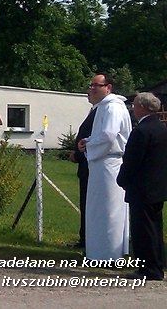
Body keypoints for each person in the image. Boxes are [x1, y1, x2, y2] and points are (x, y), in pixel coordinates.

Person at [78, 73, 131, 260]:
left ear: (108, 87)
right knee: (97, 208)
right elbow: (103, 134)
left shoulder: (113, 107)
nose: (92, 88)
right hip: (102, 161)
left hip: (109, 162)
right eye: (90, 85)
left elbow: (109, 135)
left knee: (108, 209)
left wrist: (90, 145)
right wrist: (88, 141)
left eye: (96, 85)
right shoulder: (102, 107)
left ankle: (109, 253)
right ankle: (98, 251)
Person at [116, 92, 167, 280]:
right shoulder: (161, 128)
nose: (133, 108)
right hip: (158, 187)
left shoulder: (141, 131)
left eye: (135, 105)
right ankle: (156, 265)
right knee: (154, 228)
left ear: (143, 107)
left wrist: (122, 179)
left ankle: (147, 269)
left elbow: (132, 160)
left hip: (142, 188)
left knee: (142, 230)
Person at [68, 105, 97, 248]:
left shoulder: (103, 111)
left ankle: (87, 240)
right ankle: (84, 237)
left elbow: (93, 139)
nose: (90, 90)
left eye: (94, 86)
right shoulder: (94, 110)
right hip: (85, 166)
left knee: (88, 204)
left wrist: (78, 155)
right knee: (84, 204)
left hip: (90, 166)